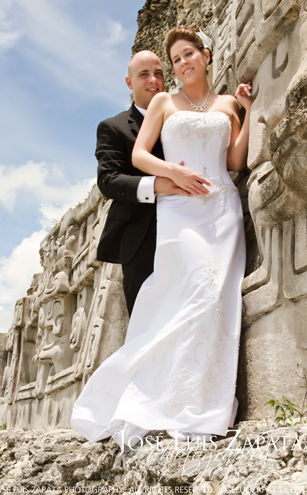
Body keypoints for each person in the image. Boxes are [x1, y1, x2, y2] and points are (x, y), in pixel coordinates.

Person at [71, 24, 252, 451]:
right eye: (173, 61)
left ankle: (199, 398)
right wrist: (171, 176)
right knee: (178, 300)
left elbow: (236, 160)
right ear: (131, 81)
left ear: (207, 54)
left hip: (221, 208)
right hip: (171, 215)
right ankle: (147, 395)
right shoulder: (155, 109)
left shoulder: (226, 103)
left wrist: (247, 111)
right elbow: (126, 166)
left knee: (215, 299)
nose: (174, 68)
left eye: (186, 55)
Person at [96, 50, 191, 315]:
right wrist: (157, 184)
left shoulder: (184, 118)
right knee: (145, 322)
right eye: (144, 75)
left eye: (158, 73)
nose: (153, 80)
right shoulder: (113, 127)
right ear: (129, 83)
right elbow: (108, 180)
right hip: (141, 239)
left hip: (191, 226)